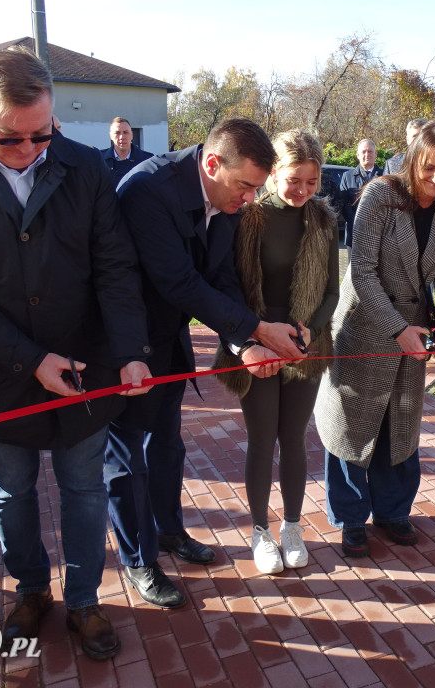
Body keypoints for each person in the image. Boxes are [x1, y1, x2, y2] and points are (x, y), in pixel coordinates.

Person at [0, 47, 153, 661]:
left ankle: (87, 598)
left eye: (44, 135)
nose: (31, 151)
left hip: (84, 359)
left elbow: (114, 265)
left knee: (85, 488)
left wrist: (129, 351)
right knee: (10, 491)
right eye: (12, 139)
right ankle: (33, 589)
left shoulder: (85, 166)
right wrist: (31, 358)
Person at [110, 118, 306, 604]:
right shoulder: (147, 190)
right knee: (127, 459)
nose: (250, 200)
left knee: (168, 447)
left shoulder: (230, 197)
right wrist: (259, 330)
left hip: (171, 340)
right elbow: (177, 281)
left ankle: (169, 532)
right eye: (245, 187)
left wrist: (244, 345)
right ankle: (139, 560)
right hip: (126, 346)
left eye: (257, 189)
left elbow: (221, 276)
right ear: (212, 164)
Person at [314, 120, 435, 557]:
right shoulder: (381, 196)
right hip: (366, 324)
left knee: (400, 423)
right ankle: (349, 516)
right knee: (354, 422)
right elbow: (361, 270)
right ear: (413, 159)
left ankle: (392, 510)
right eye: (429, 167)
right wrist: (397, 329)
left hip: (414, 329)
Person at [212, 130, 339, 574]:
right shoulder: (248, 216)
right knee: (262, 440)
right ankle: (261, 532)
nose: (302, 190)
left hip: (306, 342)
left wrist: (311, 329)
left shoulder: (323, 219)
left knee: (295, 440)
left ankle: (292, 526)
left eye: (311, 180)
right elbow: (229, 284)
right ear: (272, 176)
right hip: (259, 340)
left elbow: (331, 291)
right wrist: (259, 336)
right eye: (292, 179)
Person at [338, 138, 382, 247]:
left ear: (375, 154)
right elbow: (344, 204)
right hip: (354, 235)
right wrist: (358, 223)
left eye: (370, 151)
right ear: (358, 155)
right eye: (363, 152)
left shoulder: (385, 176)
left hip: (378, 234)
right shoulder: (347, 177)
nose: (367, 154)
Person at [100, 117, 153, 186]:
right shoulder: (99, 160)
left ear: (132, 135)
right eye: (117, 133)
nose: (122, 137)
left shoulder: (147, 160)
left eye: (126, 132)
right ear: (110, 136)